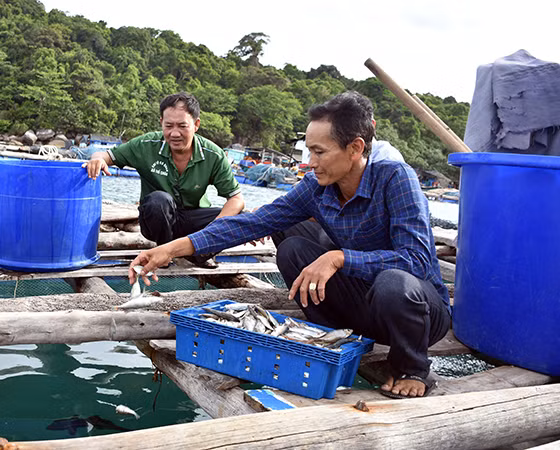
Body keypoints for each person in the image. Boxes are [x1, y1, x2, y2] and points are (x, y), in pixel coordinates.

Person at [129, 91, 450, 399]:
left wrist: (340, 258)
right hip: (366, 307)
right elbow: (252, 223)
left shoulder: (395, 178)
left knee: (392, 282)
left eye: (320, 152)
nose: (311, 162)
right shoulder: (317, 187)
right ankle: (337, 340)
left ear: (355, 148)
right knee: (294, 249)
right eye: (309, 151)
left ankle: (413, 367)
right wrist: (169, 249)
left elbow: (418, 260)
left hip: (416, 311)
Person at [85, 92, 244, 267]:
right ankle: (163, 254)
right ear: (161, 122)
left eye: (182, 126)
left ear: (196, 124)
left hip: (192, 222)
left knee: (240, 217)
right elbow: (106, 155)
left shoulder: (213, 155)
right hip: (157, 219)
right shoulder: (145, 145)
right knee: (159, 200)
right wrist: (97, 160)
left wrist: (213, 231)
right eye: (169, 126)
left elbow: (236, 199)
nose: (175, 133)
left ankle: (199, 253)